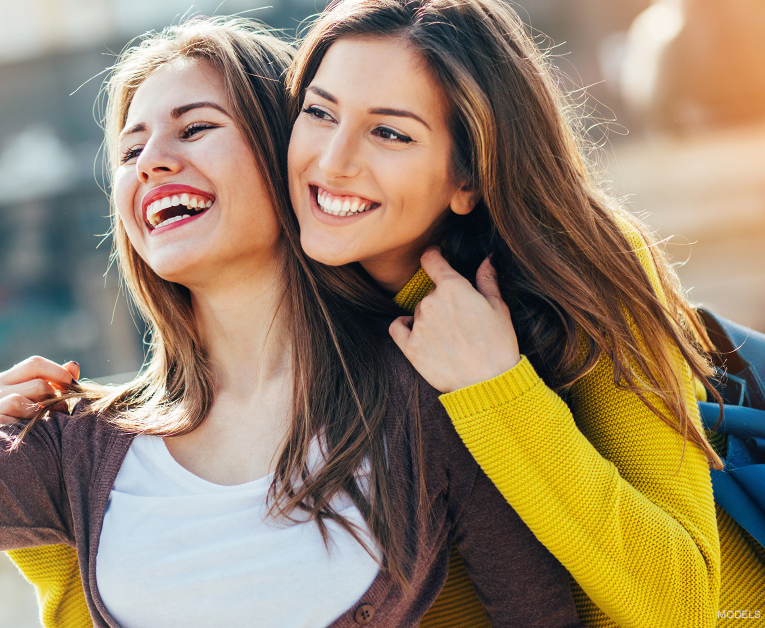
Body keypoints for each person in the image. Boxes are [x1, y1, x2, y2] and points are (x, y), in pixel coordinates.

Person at [0, 17, 581, 628]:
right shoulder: (77, 445)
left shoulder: (430, 391)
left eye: (195, 128)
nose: (153, 160)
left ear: (292, 158)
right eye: (130, 147)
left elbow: (545, 614)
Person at [284, 1, 765, 627]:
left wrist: (495, 385)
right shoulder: (291, 319)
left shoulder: (575, 271)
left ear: (469, 178)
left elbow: (682, 603)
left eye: (391, 133)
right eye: (319, 113)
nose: (332, 160)